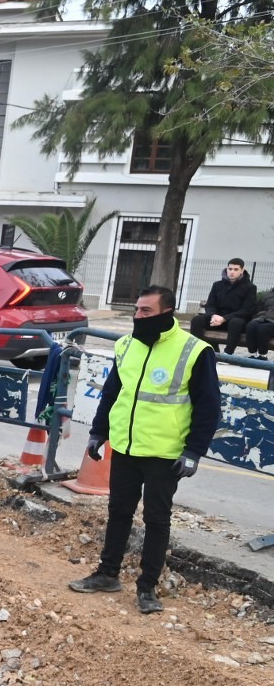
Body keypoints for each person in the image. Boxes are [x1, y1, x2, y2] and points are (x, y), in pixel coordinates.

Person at [70, 285, 221, 613]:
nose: (138, 317)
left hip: (164, 454)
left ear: (167, 313)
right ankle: (107, 574)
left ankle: (147, 588)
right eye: (137, 310)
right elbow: (111, 393)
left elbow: (209, 407)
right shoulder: (126, 345)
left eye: (146, 311)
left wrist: (194, 451)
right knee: (119, 511)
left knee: (156, 519)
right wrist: (98, 432)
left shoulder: (194, 350)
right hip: (125, 447)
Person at [188, 257, 257, 354]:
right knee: (197, 320)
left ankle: (228, 354)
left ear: (242, 270)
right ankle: (200, 351)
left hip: (235, 320)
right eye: (230, 269)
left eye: (236, 269)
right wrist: (213, 316)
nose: (232, 272)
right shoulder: (217, 285)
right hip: (216, 319)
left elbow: (246, 310)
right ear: (227, 269)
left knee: (235, 323)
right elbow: (210, 305)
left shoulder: (250, 287)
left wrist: (224, 318)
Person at [243, 286, 274, 360]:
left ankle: (262, 355)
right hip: (263, 318)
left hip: (271, 322)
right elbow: (257, 309)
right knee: (250, 326)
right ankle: (253, 354)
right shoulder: (267, 295)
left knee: (263, 329)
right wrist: (259, 314)